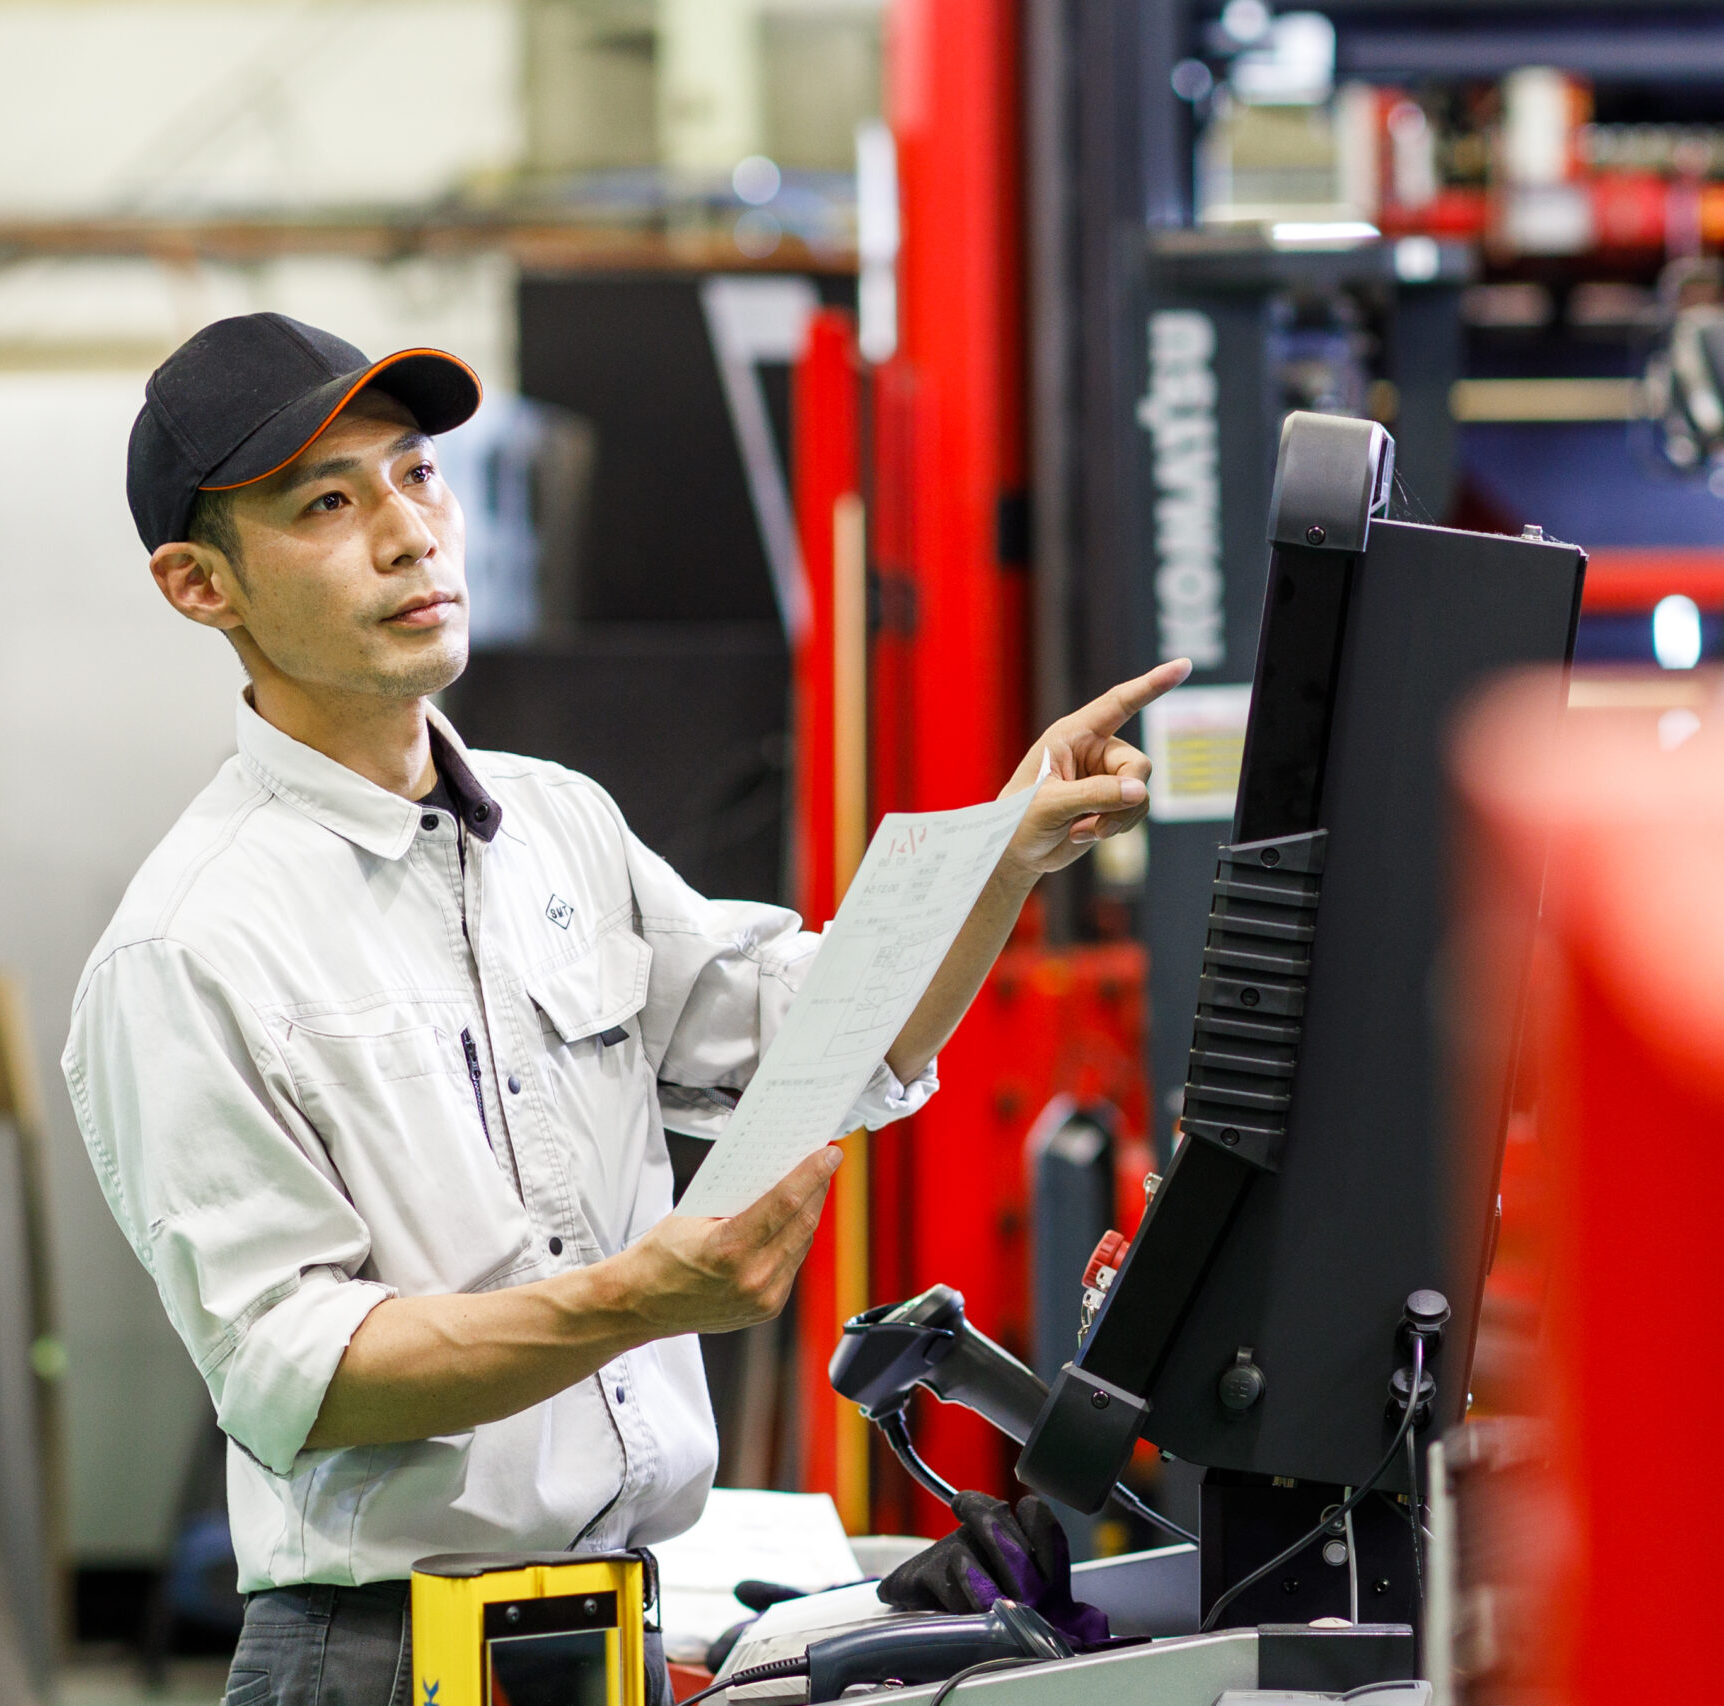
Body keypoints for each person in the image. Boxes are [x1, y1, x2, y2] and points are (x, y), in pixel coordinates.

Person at [65, 313, 1187, 1706]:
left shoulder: (557, 828)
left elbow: (813, 1034)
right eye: (327, 505)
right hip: (381, 1660)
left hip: (615, 1635)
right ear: (199, 584)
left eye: (417, 473)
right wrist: (632, 1300)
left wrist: (999, 856)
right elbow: (299, 1369)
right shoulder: (188, 945)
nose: (409, 534)